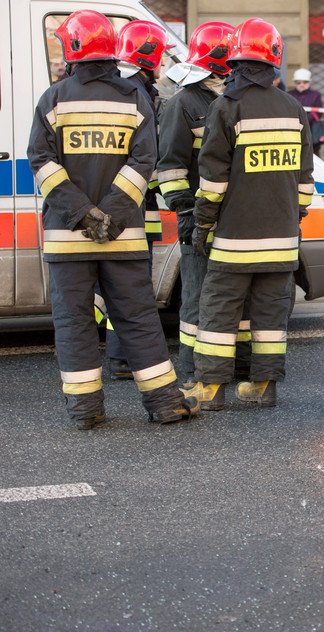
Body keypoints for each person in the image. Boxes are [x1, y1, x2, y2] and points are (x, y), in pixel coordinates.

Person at [27, 10, 197, 429]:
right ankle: (164, 405)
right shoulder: (133, 97)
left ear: (71, 50)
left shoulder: (54, 99)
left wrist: (82, 215)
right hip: (122, 238)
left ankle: (86, 411)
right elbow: (145, 161)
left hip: (68, 239)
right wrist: (112, 214)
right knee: (137, 320)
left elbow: (41, 162)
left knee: (74, 323)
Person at [184, 18, 314, 410]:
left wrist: (203, 223)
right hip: (281, 241)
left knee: (219, 313)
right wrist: (294, 218)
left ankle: (209, 391)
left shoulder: (226, 107)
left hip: (234, 241)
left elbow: (213, 180)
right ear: (274, 59)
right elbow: (305, 180)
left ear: (236, 61)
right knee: (271, 317)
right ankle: (264, 387)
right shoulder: (293, 108)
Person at [157, 21, 237, 394]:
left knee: (234, 298)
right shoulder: (184, 104)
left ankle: (231, 367)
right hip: (199, 219)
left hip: (236, 219)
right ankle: (192, 371)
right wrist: (186, 213)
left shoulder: (237, 98)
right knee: (196, 299)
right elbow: (170, 167)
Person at [97, 20, 170, 381]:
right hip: (136, 209)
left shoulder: (117, 87)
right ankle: (122, 357)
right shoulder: (138, 94)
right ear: (150, 58)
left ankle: (118, 355)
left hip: (109, 205)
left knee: (111, 290)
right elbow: (148, 159)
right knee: (129, 289)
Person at [288, 68, 324, 156]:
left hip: (311, 130)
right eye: (299, 82)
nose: (301, 85)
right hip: (294, 130)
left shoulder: (315, 95)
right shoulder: (289, 95)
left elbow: (318, 112)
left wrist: (304, 120)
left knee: (313, 155)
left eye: (304, 82)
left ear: (309, 82)